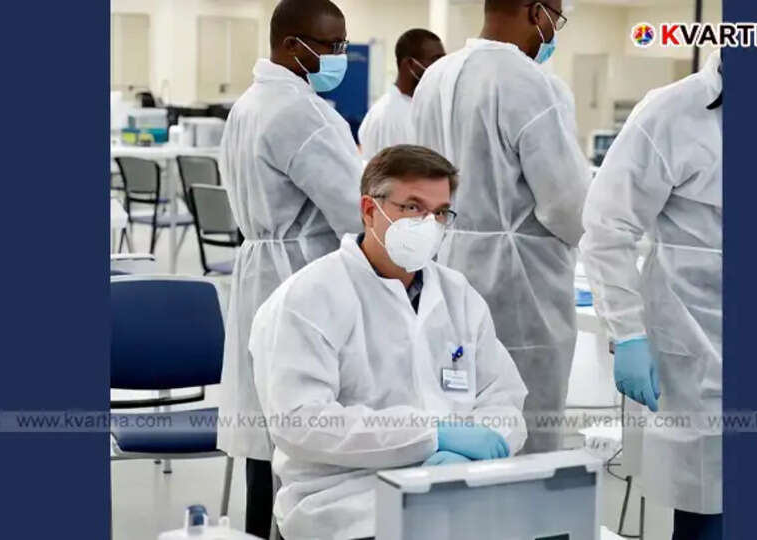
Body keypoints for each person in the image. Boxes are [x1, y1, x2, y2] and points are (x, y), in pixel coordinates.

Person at [250, 145, 528, 540]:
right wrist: (430, 436)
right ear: (369, 210)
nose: (429, 223)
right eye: (412, 208)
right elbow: (299, 422)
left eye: (441, 212)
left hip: (455, 488)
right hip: (347, 502)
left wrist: (485, 441)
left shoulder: (457, 295)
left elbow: (504, 396)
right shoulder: (308, 298)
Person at [411, 0, 592, 453]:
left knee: (454, 421)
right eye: (557, 19)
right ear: (537, 12)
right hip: (517, 289)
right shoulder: (527, 82)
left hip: (443, 271)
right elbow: (568, 205)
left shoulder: (437, 77)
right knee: (523, 430)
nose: (555, 32)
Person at [216, 0, 363, 537]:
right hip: (301, 278)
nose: (339, 57)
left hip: (265, 273)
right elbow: (356, 209)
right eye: (329, 46)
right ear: (289, 45)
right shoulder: (300, 112)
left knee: (268, 437)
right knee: (304, 443)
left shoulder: (251, 104)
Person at [579, 50, 723, 540]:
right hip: (697, 345)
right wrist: (628, 331)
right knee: (709, 510)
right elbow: (607, 227)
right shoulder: (672, 111)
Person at [357, 29, 446, 160]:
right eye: (435, 60)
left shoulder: (417, 106)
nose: (442, 66)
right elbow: (394, 174)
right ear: (410, 64)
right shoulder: (388, 115)